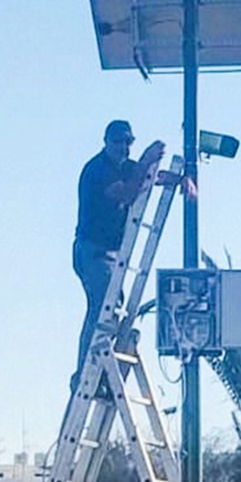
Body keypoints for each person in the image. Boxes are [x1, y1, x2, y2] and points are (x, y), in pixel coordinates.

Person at [71, 121, 166, 393]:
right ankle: (86, 374)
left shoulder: (125, 167)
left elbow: (150, 178)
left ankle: (99, 371)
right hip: (92, 251)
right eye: (118, 142)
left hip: (109, 255)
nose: (123, 148)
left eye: (128, 143)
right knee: (103, 308)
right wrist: (146, 160)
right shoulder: (98, 169)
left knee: (113, 307)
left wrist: (182, 179)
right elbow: (126, 191)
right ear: (106, 142)